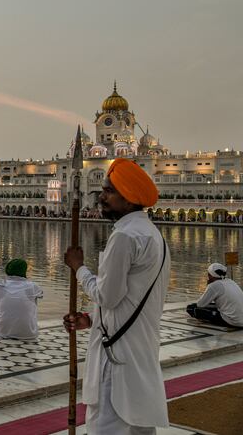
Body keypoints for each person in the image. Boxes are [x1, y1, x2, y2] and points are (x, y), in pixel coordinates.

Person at [64, 158, 170, 434]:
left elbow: (106, 296)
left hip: (116, 358)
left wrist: (79, 268)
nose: (102, 197)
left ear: (130, 198)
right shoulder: (153, 234)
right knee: (137, 426)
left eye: (109, 191)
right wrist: (91, 320)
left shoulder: (124, 236)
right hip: (139, 348)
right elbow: (129, 297)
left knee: (108, 425)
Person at [0, 258, 43, 339]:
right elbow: (40, 295)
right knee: (33, 298)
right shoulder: (32, 286)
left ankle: (4, 325)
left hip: (1, 332)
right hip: (28, 334)